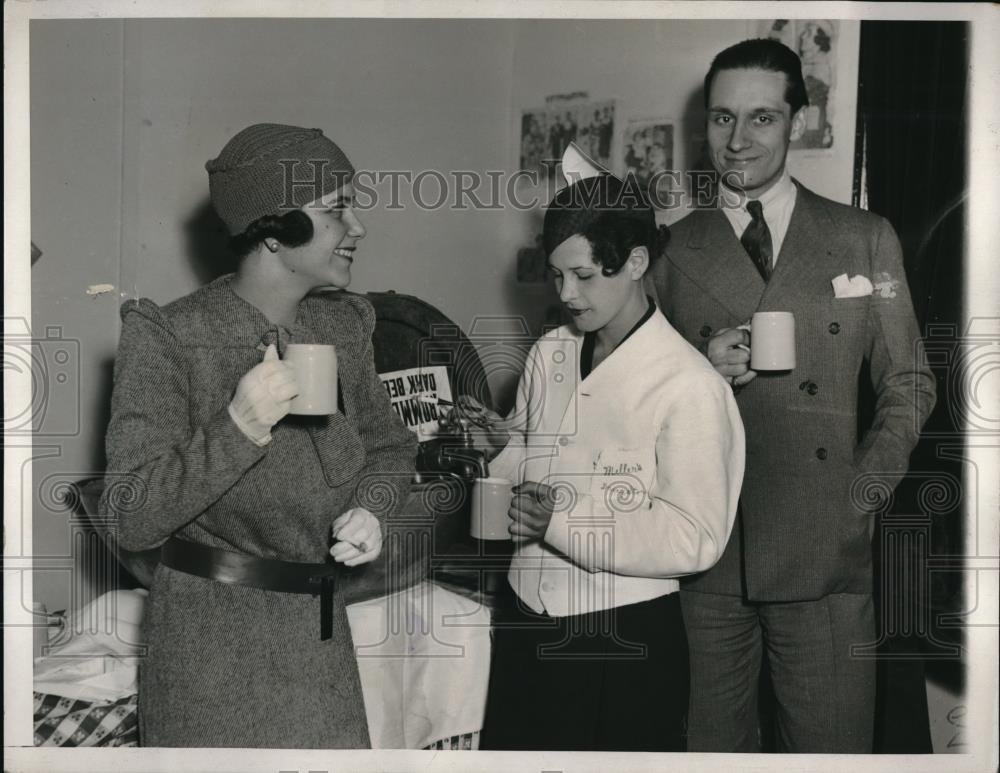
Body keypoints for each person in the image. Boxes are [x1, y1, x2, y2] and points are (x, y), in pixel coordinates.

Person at [650, 39, 936, 753]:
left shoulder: (864, 238)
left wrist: (862, 492)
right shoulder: (666, 249)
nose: (738, 140)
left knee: (830, 749)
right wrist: (697, 365)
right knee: (709, 751)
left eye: (761, 119)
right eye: (721, 120)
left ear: (797, 124)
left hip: (826, 548)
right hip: (705, 551)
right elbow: (634, 394)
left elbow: (909, 382)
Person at [101, 123, 418, 748]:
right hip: (210, 655)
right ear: (274, 229)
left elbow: (390, 448)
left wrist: (372, 508)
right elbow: (127, 514)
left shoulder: (343, 325)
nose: (357, 228)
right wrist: (238, 427)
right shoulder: (169, 336)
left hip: (323, 641)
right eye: (336, 210)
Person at [470, 150, 745, 751]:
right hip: (524, 614)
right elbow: (531, 463)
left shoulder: (689, 385)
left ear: (636, 262)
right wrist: (504, 448)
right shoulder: (550, 353)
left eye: (585, 276)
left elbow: (694, 535)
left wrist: (563, 521)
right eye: (557, 274)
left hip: (620, 638)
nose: (567, 294)